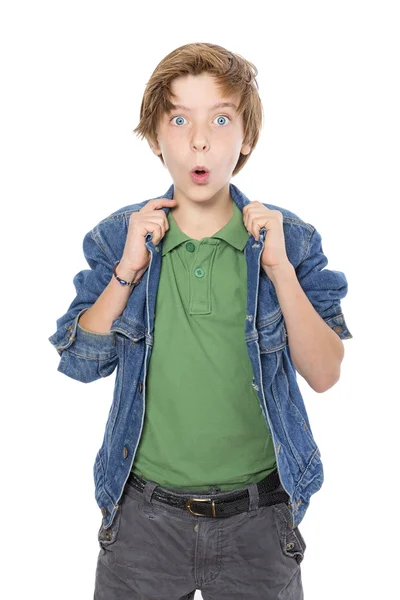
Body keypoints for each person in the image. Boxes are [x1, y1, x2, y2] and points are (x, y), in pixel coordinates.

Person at [48, 42, 353, 599]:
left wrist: (280, 270)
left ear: (247, 138)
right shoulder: (120, 236)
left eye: (219, 118)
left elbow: (326, 372)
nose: (199, 140)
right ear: (155, 136)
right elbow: (79, 362)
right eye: (179, 118)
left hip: (259, 520)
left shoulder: (293, 241)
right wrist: (127, 270)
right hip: (144, 520)